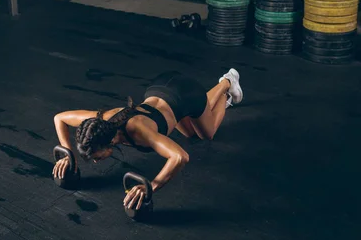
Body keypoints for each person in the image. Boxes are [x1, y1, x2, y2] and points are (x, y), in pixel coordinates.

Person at [53, 69, 243, 211]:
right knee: (190, 130)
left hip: (186, 92)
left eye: (96, 156)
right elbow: (59, 118)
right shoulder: (100, 121)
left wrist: (150, 187)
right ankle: (205, 105)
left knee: (204, 135)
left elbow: (180, 157)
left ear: (109, 142)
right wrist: (68, 156)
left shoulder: (139, 131)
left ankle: (227, 83)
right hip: (162, 88)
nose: (94, 160)